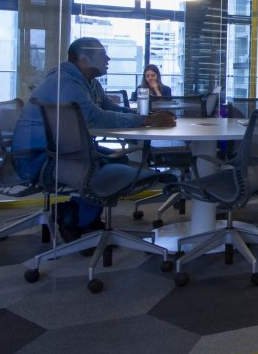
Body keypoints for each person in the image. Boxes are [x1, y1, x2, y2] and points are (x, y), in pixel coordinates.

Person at [12, 37, 176, 241]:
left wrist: (147, 118)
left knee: (117, 159)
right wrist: (146, 120)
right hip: (40, 159)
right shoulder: (66, 82)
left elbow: (109, 108)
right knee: (100, 167)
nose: (108, 58)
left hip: (59, 152)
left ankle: (78, 215)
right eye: (102, 54)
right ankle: (80, 221)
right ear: (83, 59)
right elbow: (94, 117)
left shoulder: (86, 81)